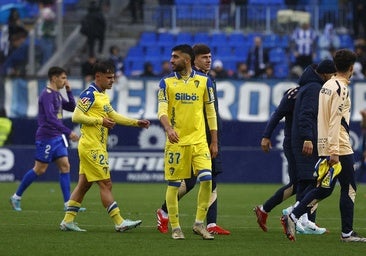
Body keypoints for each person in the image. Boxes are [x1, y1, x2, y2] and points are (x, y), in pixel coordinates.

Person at [281, 49, 366, 242]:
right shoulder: (340, 88)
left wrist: (324, 145)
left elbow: (322, 116)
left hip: (324, 143)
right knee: (349, 187)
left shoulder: (327, 84)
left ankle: (293, 215)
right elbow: (335, 120)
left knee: (325, 188)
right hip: (339, 146)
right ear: (352, 68)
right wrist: (334, 150)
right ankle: (347, 233)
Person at [60, 60, 150, 232]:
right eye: (108, 77)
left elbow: (113, 115)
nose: (112, 80)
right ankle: (119, 221)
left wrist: (136, 123)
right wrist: (99, 120)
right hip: (91, 146)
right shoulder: (90, 94)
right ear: (98, 76)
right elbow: (76, 116)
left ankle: (67, 221)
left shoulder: (102, 96)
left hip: (96, 146)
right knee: (106, 184)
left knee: (83, 185)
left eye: (113, 77)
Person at [156, 44, 230, 236]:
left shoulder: (205, 81)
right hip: (177, 142)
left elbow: (211, 112)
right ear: (193, 59)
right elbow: (162, 110)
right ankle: (173, 223)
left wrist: (214, 141)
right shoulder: (166, 82)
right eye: (204, 57)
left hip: (200, 141)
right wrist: (168, 128)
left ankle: (204, 223)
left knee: (208, 178)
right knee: (181, 184)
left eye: (175, 57)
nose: (171, 60)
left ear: (186, 59)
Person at [9, 66, 81, 211]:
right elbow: (50, 118)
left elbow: (73, 107)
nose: (65, 81)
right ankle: (16, 197)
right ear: (54, 78)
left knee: (65, 166)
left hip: (57, 137)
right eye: (63, 78)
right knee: (40, 169)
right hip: (47, 137)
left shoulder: (57, 94)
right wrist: (68, 132)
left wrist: (68, 90)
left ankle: (68, 204)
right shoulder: (46, 95)